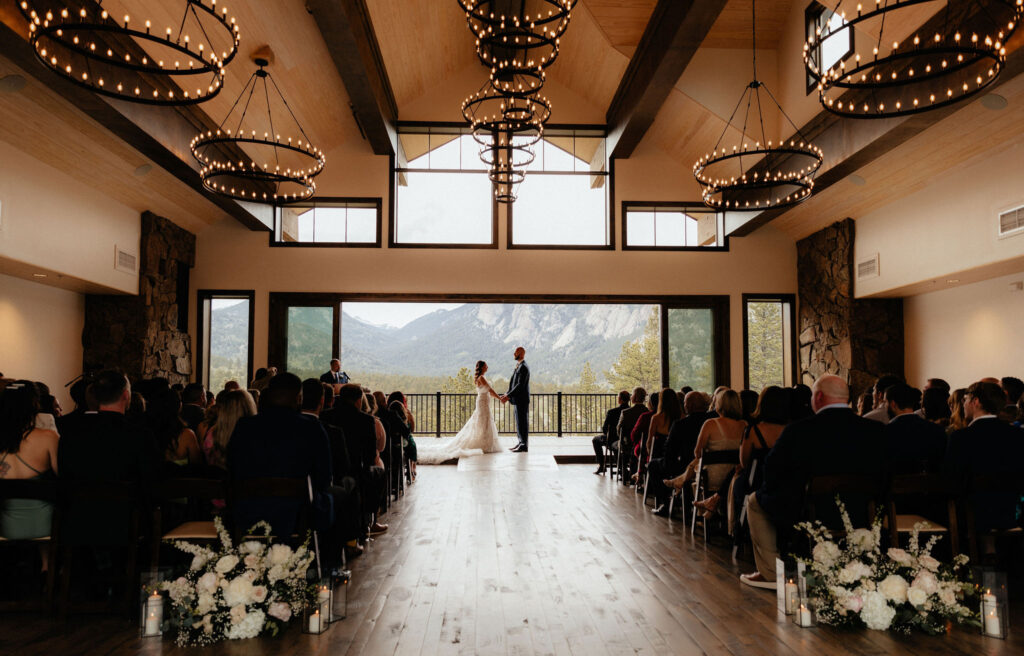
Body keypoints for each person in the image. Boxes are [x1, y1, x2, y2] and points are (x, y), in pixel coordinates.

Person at [739, 374, 884, 589]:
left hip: (807, 510)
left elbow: (771, 470)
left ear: (818, 397)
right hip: (863, 509)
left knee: (754, 502)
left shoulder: (798, 430)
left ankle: (770, 572)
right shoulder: (876, 431)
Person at [58, 369, 161, 545]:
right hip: (125, 523)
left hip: (77, 519)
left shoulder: (71, 432)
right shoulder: (140, 435)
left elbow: (64, 472)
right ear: (126, 395)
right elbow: (150, 480)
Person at [227, 373, 333, 540]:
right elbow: (324, 478)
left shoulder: (244, 426)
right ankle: (327, 560)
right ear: (299, 398)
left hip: (248, 512)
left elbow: (231, 467)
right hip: (297, 515)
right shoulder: (312, 428)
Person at [692, 386, 790, 521]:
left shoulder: (753, 431)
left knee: (738, 478)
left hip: (752, 480)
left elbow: (744, 462)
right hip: (785, 480)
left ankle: (720, 508)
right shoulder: (791, 430)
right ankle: (715, 503)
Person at [945, 381, 1024, 533]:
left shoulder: (961, 437)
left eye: (965, 400)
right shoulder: (1018, 435)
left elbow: (952, 479)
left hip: (972, 517)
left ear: (975, 401)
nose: (963, 404)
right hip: (1011, 513)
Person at [321, 383, 388, 543]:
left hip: (330, 471)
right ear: (359, 400)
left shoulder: (325, 416)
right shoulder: (366, 420)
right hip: (355, 471)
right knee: (378, 473)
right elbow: (371, 455)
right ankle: (369, 520)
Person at [0, 381, 60, 541]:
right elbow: (62, 476)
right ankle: (47, 564)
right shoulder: (49, 437)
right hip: (43, 526)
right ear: (35, 405)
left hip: (4, 526)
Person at [419, 361, 503, 464]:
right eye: (486, 366)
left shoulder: (481, 377)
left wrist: (499, 398)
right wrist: (500, 398)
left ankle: (485, 442)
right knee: (482, 421)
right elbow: (490, 390)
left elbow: (488, 391)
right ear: (482, 367)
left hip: (484, 401)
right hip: (483, 402)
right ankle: (484, 443)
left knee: (484, 422)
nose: (487, 367)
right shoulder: (481, 378)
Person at [664, 389, 744, 493]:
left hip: (712, 477)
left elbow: (697, 453)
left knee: (699, 459)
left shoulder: (711, 424)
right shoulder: (745, 425)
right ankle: (681, 479)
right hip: (736, 475)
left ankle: (681, 480)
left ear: (719, 404)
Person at [648, 391, 713, 513]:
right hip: (707, 466)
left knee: (653, 465)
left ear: (690, 406)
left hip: (683, 466)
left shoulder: (680, 425)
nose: (684, 406)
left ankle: (666, 503)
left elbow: (670, 452)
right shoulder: (711, 421)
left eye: (685, 403)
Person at [883, 383, 946, 473]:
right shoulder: (937, 430)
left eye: (885, 402)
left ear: (893, 404)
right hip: (931, 485)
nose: (884, 406)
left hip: (897, 485)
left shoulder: (886, 432)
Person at [201, 389, 257, 469]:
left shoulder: (212, 433)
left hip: (217, 478)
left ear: (224, 409)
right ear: (250, 407)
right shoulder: (257, 434)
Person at [148, 388, 202, 468]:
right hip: (182, 479)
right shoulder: (187, 435)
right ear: (179, 406)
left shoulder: (146, 433)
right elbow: (197, 466)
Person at [500, 346, 531, 453]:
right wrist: (507, 393)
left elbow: (520, 385)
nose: (514, 354)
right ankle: (520, 442)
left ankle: (524, 445)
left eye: (516, 352)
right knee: (519, 422)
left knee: (523, 422)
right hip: (518, 400)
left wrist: (508, 396)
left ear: (521, 353)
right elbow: (513, 383)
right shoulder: (519, 366)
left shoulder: (524, 367)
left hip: (522, 400)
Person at [593, 390, 630, 475]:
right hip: (626, 439)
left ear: (619, 399)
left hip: (612, 439)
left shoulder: (612, 412)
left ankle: (601, 465)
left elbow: (605, 429)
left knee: (595, 440)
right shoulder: (631, 411)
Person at [616, 388, 648, 484]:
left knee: (616, 446)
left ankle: (624, 472)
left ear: (634, 397)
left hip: (628, 443)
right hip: (644, 444)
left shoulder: (626, 413)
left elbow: (619, 430)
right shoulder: (647, 412)